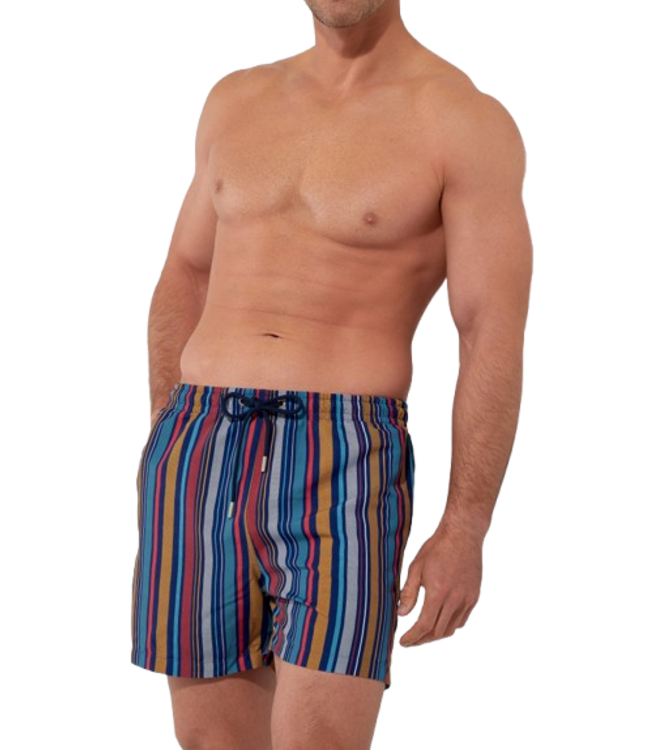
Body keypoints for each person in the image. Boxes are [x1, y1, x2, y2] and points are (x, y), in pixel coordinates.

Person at [129, 1, 533, 747]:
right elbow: (185, 270)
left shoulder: (462, 121)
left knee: (320, 740)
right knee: (211, 742)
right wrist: (167, 431)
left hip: (341, 454)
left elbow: (491, 334)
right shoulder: (236, 98)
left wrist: (465, 528)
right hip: (199, 440)